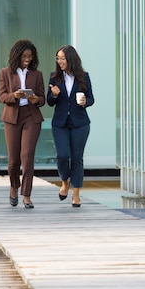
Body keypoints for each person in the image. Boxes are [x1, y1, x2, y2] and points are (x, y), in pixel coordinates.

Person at [0, 39, 46, 209]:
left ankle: (26, 195)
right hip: (12, 118)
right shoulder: (5, 73)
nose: (28, 59)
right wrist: (15, 96)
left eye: (30, 57)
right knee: (13, 160)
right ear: (17, 56)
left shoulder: (37, 74)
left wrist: (36, 99)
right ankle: (13, 187)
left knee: (27, 157)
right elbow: (1, 96)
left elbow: (42, 99)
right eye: (25, 56)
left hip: (31, 118)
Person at [47, 45, 94, 208]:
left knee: (77, 158)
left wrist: (85, 102)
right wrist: (53, 95)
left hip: (80, 123)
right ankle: (65, 182)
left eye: (62, 58)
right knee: (62, 155)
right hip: (60, 124)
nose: (59, 61)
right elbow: (50, 102)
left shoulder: (84, 77)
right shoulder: (54, 77)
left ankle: (76, 194)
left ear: (70, 59)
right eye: (58, 58)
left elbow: (91, 99)